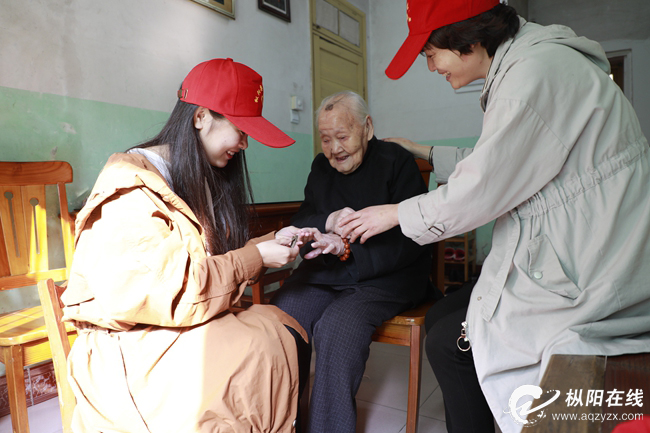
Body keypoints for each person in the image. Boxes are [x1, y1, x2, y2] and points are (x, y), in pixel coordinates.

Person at [340, 1, 650, 432]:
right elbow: (499, 160)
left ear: (466, 38)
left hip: (592, 265)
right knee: (440, 317)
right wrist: (424, 150)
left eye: (430, 54)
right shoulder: (528, 63)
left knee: (450, 342)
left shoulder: (533, 75)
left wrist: (395, 214)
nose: (430, 67)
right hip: (573, 246)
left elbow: (481, 186)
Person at [61, 58, 316, 432]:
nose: (244, 144)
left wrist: (268, 244)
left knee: (281, 328)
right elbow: (173, 291)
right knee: (262, 349)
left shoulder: (184, 178)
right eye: (240, 130)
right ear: (200, 117)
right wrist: (255, 256)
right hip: (132, 348)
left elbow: (204, 264)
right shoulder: (129, 185)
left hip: (171, 328)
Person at [270, 91, 437, 433]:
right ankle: (283, 421)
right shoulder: (321, 166)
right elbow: (305, 216)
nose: (334, 149)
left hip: (386, 276)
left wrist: (348, 250)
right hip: (326, 273)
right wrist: (326, 223)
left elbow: (413, 235)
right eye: (326, 139)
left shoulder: (396, 161)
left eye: (343, 137)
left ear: (367, 128)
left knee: (338, 327)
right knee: (283, 315)